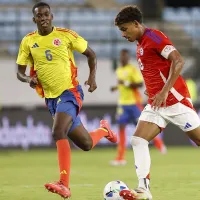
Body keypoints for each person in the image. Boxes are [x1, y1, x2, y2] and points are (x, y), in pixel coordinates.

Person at [16, 2, 117, 199]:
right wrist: (29, 79)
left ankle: (64, 184)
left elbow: (91, 54)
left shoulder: (65, 35)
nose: (43, 18)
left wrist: (92, 77)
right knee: (86, 144)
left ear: (52, 16)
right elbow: (20, 72)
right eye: (39, 15)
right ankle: (104, 130)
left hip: (70, 92)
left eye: (46, 14)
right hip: (51, 99)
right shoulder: (28, 41)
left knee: (58, 131)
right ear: (34, 19)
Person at [114, 5, 200, 200]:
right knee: (138, 140)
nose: (123, 34)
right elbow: (156, 69)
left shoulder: (154, 37)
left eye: (125, 29)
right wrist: (153, 90)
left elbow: (178, 60)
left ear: (136, 24)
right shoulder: (140, 43)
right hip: (156, 104)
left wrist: (164, 90)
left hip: (174, 101)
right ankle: (143, 190)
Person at [110, 49, 167, 166]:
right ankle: (120, 157)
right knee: (121, 127)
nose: (122, 58)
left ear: (128, 57)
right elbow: (121, 84)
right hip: (123, 104)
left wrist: (125, 83)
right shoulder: (119, 70)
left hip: (134, 103)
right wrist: (116, 87)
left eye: (124, 56)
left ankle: (159, 145)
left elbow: (140, 84)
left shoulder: (132, 69)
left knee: (145, 126)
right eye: (121, 56)